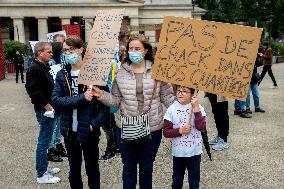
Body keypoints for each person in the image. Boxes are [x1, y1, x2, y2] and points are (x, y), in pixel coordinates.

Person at [92, 34, 174, 189]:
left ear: (146, 50)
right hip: (125, 126)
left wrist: (183, 108)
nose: (133, 51)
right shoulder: (121, 71)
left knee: (146, 167)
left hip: (152, 126)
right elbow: (116, 100)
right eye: (131, 48)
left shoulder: (158, 70)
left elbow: (167, 97)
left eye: (138, 48)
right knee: (128, 167)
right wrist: (101, 95)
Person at [52, 36, 109, 189]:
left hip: (88, 130)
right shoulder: (62, 75)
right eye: (65, 50)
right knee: (74, 170)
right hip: (69, 131)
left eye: (72, 49)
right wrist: (82, 98)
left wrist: (94, 124)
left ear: (81, 49)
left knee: (92, 169)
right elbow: (57, 101)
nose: (68, 53)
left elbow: (105, 106)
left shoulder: (95, 74)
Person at [25, 42, 61, 184]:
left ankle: (44, 167)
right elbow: (33, 91)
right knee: (44, 142)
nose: (52, 54)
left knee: (47, 141)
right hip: (44, 111)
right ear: (40, 52)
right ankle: (41, 174)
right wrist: (48, 107)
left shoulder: (43, 66)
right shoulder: (34, 68)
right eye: (49, 52)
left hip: (49, 109)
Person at [163, 86, 206, 189]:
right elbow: (166, 132)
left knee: (194, 181)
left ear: (192, 94)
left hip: (195, 152)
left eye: (185, 91)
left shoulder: (199, 108)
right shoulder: (172, 109)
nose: (180, 93)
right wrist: (179, 131)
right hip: (178, 152)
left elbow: (202, 127)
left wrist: (196, 109)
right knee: (177, 180)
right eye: (179, 91)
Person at [47, 42, 67, 163]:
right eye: (63, 50)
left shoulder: (62, 62)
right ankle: (50, 148)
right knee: (52, 125)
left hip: (60, 97)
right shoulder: (50, 64)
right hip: (52, 98)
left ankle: (58, 143)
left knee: (59, 123)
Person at [245, 49, 265, 114]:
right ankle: (247, 108)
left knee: (256, 94)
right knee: (247, 94)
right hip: (247, 78)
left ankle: (257, 107)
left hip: (254, 78)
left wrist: (259, 56)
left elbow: (259, 64)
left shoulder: (255, 56)